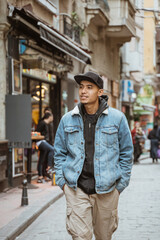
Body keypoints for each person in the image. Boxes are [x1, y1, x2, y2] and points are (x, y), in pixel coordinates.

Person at [54, 71, 133, 240]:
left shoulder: (117, 119)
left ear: (100, 92)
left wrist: (120, 187)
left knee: (104, 236)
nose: (83, 91)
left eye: (89, 87)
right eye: (81, 87)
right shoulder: (67, 120)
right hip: (76, 189)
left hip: (108, 190)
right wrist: (62, 183)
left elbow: (127, 153)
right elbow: (59, 152)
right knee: (80, 236)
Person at [36, 112, 54, 183]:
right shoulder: (42, 123)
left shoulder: (47, 124)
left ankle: (41, 175)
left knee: (41, 159)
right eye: (52, 117)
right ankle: (49, 166)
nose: (53, 118)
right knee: (52, 149)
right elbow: (37, 132)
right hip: (40, 142)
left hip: (44, 142)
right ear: (49, 117)